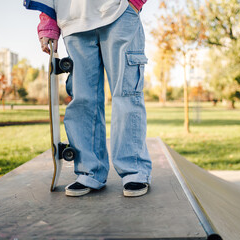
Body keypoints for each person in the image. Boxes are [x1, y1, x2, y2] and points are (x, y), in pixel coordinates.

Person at [24, 0, 152, 197]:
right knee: (82, 100)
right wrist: (48, 23)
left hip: (118, 11)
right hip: (73, 20)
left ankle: (134, 170)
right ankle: (89, 170)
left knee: (127, 95)